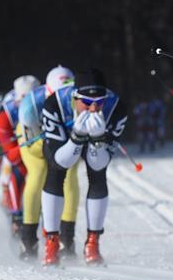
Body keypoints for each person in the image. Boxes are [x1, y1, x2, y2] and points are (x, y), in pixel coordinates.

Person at [40, 68, 128, 266]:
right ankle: (52, 242)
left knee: (98, 176)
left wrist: (97, 140)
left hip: (95, 137)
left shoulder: (116, 108)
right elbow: (60, 161)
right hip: (65, 134)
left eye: (99, 102)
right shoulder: (55, 104)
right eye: (87, 103)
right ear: (74, 97)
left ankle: (92, 243)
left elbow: (98, 164)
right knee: (55, 174)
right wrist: (77, 138)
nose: (94, 109)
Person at [16, 65, 79, 261]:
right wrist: (52, 146)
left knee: (69, 176)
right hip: (35, 140)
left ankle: (66, 238)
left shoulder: (78, 99)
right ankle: (29, 239)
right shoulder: (30, 106)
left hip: (64, 137)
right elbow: (33, 145)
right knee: (38, 174)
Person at [0, 75, 40, 236]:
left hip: (37, 138)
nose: (25, 106)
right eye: (22, 102)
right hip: (17, 140)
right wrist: (15, 152)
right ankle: (16, 213)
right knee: (17, 167)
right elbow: (5, 135)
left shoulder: (46, 101)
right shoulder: (6, 109)